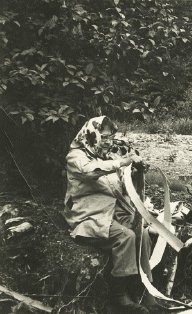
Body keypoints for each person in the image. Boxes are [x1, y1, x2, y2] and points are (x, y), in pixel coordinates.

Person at [63, 116, 157, 313]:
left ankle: (145, 289)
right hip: (89, 215)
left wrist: (136, 172)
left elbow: (124, 186)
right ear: (91, 135)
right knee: (125, 237)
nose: (108, 142)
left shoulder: (107, 158)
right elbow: (89, 172)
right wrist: (123, 162)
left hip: (113, 212)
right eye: (103, 137)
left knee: (143, 233)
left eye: (111, 138)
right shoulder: (76, 157)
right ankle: (119, 298)